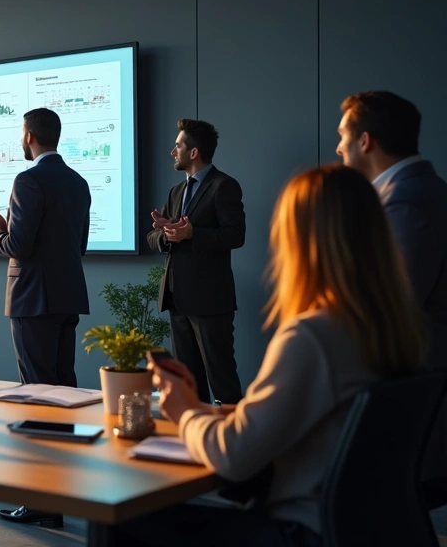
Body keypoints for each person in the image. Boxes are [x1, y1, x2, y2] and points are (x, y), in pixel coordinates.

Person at [114, 164, 428, 546]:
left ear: (302, 240)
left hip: (301, 531)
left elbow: (234, 456)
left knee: (120, 518)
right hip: (369, 529)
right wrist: (230, 413)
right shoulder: (394, 328)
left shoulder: (312, 336)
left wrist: (185, 411)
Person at [0, 107, 91, 530]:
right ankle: (60, 496)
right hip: (67, 297)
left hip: (32, 299)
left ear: (28, 135)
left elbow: (20, 246)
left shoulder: (27, 180)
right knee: (63, 394)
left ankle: (41, 500)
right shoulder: (78, 182)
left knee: (38, 395)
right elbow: (75, 244)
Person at [335, 91, 447, 367]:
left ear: (364, 141)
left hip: (410, 380)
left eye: (342, 135)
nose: (338, 148)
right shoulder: (426, 189)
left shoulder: (404, 203)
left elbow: (389, 309)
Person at [147, 119, 245, 405]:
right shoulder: (176, 192)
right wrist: (166, 234)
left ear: (194, 152)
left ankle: (234, 442)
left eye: (178, 145)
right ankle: (192, 441)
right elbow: (152, 237)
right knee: (187, 383)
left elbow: (235, 235)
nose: (172, 151)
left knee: (222, 378)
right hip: (177, 298)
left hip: (211, 302)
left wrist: (192, 233)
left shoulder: (224, 186)